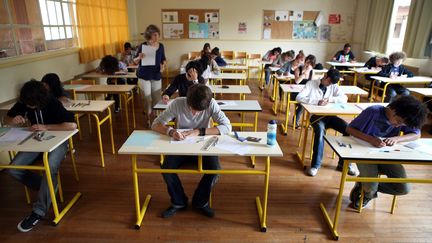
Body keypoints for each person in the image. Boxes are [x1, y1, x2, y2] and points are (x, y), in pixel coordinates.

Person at [4, 80, 77, 232]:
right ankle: (48, 187)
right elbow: (7, 118)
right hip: (35, 140)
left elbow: (72, 125)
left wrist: (47, 127)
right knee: (13, 169)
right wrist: (13, 120)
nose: (28, 107)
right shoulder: (25, 101)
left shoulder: (52, 103)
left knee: (50, 167)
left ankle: (38, 211)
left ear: (40, 101)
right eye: (27, 105)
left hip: (58, 141)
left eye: (31, 105)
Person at [152, 84, 232, 218]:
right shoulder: (178, 103)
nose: (194, 113)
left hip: (203, 145)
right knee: (166, 167)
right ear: (187, 100)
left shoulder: (211, 103)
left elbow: (227, 127)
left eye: (199, 111)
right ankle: (179, 202)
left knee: (215, 170)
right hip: (181, 144)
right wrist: (170, 131)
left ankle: (200, 202)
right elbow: (155, 124)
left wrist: (199, 131)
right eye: (191, 109)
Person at [347, 96, 428, 209]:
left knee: (403, 189)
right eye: (398, 121)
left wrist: (396, 139)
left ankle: (364, 185)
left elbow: (416, 134)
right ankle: (368, 192)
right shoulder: (373, 111)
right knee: (371, 187)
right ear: (394, 110)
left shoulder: (404, 119)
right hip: (364, 153)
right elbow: (349, 129)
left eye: (402, 125)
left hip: (386, 154)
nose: (398, 126)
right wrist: (370, 139)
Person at [296, 69, 359, 177]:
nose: (329, 85)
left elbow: (344, 98)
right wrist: (317, 102)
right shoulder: (311, 84)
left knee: (349, 130)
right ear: (325, 76)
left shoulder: (333, 86)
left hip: (330, 116)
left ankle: (343, 164)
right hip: (316, 117)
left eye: (331, 83)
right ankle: (315, 165)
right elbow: (299, 97)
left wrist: (330, 99)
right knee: (320, 132)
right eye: (328, 82)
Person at [134, 24, 167, 125]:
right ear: (149, 35)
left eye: (158, 35)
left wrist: (163, 66)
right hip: (144, 76)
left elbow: (163, 59)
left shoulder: (161, 46)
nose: (157, 37)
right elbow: (135, 61)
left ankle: (156, 118)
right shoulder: (143, 46)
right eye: (154, 35)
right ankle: (148, 117)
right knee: (147, 98)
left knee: (157, 99)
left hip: (156, 75)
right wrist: (139, 57)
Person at [292, 54, 316, 128]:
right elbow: (297, 81)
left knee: (313, 102)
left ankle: (310, 122)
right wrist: (304, 74)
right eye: (307, 62)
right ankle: (295, 121)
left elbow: (311, 84)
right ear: (305, 61)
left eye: (310, 63)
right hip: (296, 92)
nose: (308, 65)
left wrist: (309, 71)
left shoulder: (312, 71)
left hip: (306, 92)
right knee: (302, 104)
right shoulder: (298, 69)